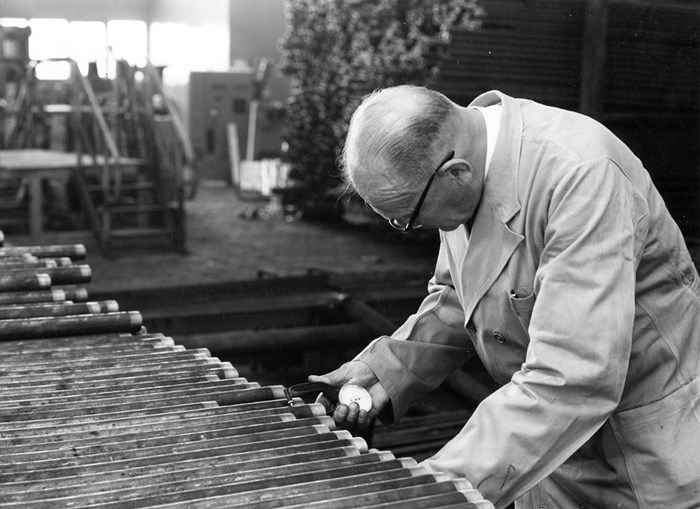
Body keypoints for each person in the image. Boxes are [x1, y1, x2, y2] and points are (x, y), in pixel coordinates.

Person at [309, 85, 700, 508]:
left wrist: (432, 488)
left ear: (455, 172)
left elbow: (574, 376)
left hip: (641, 461)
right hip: (544, 458)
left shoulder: (582, 174)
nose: (411, 226)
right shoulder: (460, 171)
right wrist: (382, 372)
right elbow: (460, 298)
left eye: (409, 218)